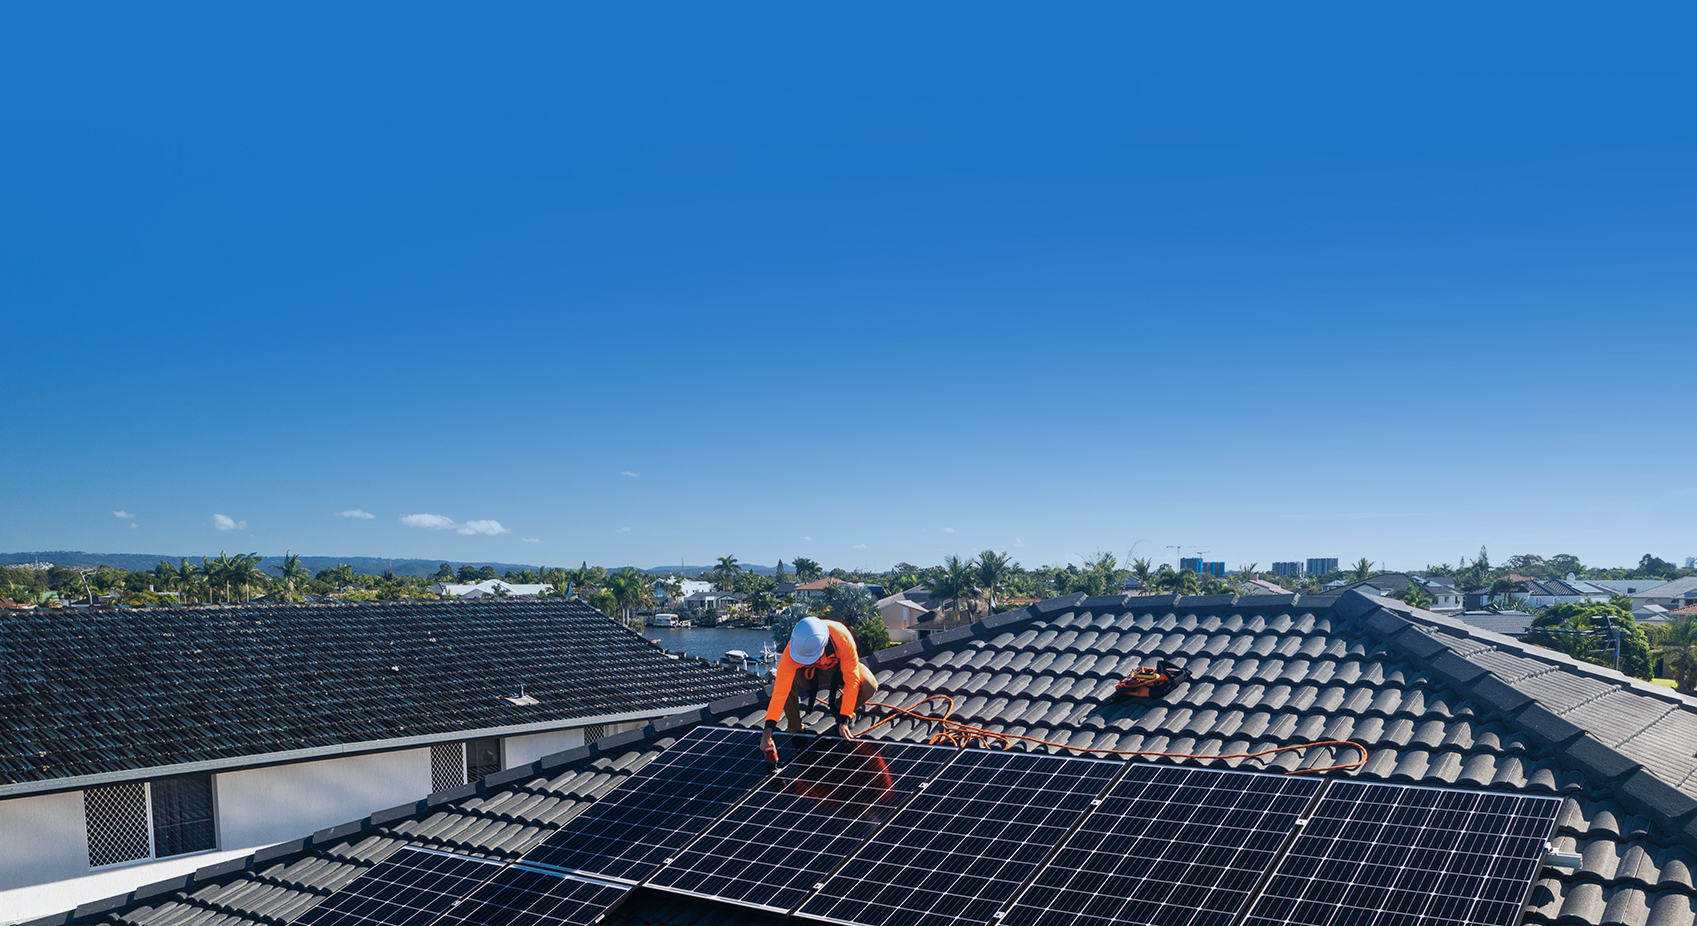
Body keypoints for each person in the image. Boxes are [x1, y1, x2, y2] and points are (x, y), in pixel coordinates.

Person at [760, 616, 879, 753]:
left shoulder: (842, 637)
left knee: (869, 685)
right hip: (811, 674)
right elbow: (780, 692)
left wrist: (844, 720)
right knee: (788, 684)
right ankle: (795, 730)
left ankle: (839, 708)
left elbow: (852, 680)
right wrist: (767, 731)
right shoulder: (794, 650)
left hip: (839, 670)